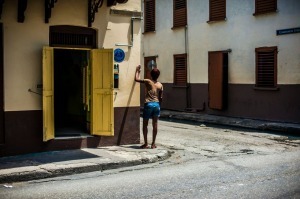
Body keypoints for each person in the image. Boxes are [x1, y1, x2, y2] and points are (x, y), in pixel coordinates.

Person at [135, 65, 163, 149]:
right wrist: (159, 106)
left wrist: (137, 71)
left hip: (148, 104)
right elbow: (161, 97)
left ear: (151, 75)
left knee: (145, 124)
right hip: (156, 104)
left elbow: (136, 79)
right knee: (155, 124)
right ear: (158, 76)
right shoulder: (160, 85)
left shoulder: (148, 81)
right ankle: (153, 144)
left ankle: (146, 143)